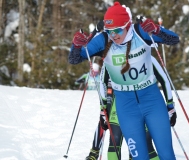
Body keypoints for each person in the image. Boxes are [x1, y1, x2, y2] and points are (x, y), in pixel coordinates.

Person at [68, 1, 179, 159]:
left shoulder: (140, 32)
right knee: (139, 157)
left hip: (152, 101)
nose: (114, 35)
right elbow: (75, 59)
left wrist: (157, 30)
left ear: (128, 25)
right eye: (110, 30)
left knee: (166, 155)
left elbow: (174, 40)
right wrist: (76, 45)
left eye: (118, 30)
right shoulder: (104, 40)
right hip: (126, 108)